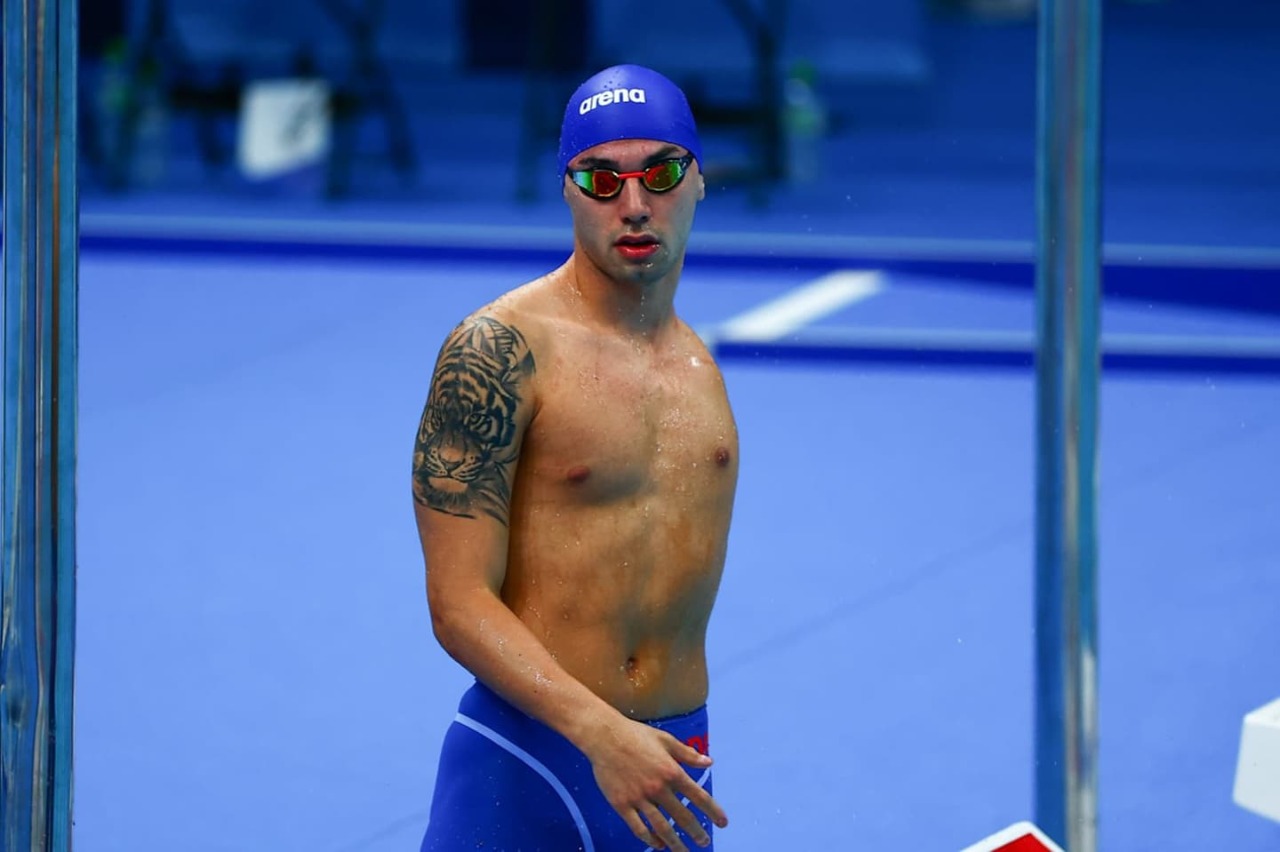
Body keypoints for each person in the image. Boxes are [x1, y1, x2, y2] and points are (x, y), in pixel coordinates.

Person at [412, 64, 738, 852]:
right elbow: (457, 603)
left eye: (659, 173)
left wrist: (634, 746)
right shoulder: (497, 352)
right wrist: (599, 732)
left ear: (698, 182)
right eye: (601, 179)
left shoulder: (701, 369)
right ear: (566, 189)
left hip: (669, 768)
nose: (633, 205)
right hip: (525, 759)